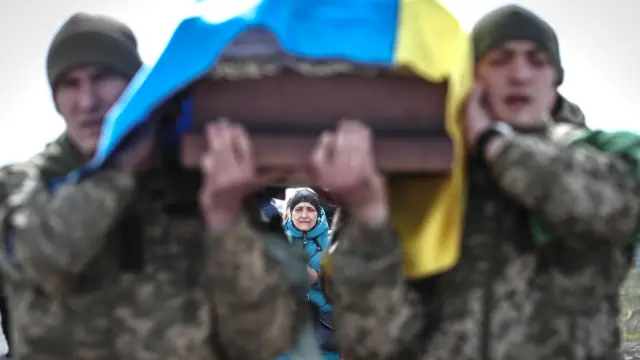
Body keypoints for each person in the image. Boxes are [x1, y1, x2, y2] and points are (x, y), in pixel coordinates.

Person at [326, 5, 640, 360]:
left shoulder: (602, 159)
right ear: (472, 75)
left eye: (536, 61)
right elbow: (376, 340)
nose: (519, 75)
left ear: (555, 79)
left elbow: (615, 207)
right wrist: (370, 220)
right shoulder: (424, 181)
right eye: (500, 60)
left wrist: (495, 145)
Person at [0, 12, 143, 359]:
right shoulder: (20, 187)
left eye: (102, 78)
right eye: (70, 84)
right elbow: (46, 257)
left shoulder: (182, 178)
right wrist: (122, 170)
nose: (87, 102)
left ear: (136, 83)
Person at [280, 188, 338, 360]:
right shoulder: (279, 239)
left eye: (310, 209)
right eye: (299, 209)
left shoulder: (331, 242)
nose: (304, 214)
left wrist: (317, 277)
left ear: (318, 212)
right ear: (290, 212)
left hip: (325, 329)